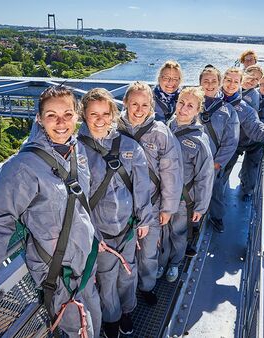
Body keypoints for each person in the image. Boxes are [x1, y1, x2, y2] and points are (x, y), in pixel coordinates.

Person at [0, 86, 101, 338]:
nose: (61, 123)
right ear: (39, 119)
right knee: (79, 328)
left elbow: (81, 202)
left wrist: (94, 237)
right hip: (56, 267)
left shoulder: (75, 150)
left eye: (68, 115)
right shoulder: (21, 167)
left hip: (84, 254)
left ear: (77, 116)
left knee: (91, 309)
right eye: (51, 116)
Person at [78, 88, 153, 338]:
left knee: (128, 273)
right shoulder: (77, 151)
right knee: (107, 278)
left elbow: (141, 187)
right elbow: (78, 201)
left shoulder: (129, 146)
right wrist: (92, 235)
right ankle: (112, 318)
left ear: (113, 113)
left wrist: (144, 218)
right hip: (101, 233)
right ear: (84, 116)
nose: (100, 119)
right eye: (93, 114)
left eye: (105, 113)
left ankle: (127, 311)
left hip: (128, 227)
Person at [120, 81, 182, 304]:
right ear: (125, 103)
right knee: (125, 252)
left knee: (148, 252)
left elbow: (171, 172)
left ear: (152, 106)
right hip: (121, 204)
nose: (139, 109)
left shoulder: (160, 132)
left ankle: (146, 286)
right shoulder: (115, 128)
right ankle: (126, 294)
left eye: (144, 104)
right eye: (134, 104)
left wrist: (168, 207)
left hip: (152, 203)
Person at [216, 67, 264, 231]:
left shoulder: (244, 108)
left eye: (236, 81)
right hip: (220, 149)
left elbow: (257, 127)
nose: (231, 84)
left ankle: (222, 211)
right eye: (228, 80)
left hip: (243, 143)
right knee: (216, 180)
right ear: (222, 80)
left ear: (240, 83)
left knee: (239, 172)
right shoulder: (211, 99)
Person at [162, 87, 214, 282]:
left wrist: (200, 206)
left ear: (197, 110)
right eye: (181, 103)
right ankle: (162, 261)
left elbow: (205, 176)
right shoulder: (167, 127)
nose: (183, 108)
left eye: (190, 106)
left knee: (178, 232)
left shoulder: (199, 140)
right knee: (163, 230)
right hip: (163, 194)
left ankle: (174, 263)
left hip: (184, 198)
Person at [198, 65, 239, 234]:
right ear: (199, 83)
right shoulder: (191, 103)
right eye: (205, 81)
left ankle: (216, 217)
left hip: (213, 162)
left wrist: (218, 163)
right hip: (190, 160)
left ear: (219, 83)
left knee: (215, 191)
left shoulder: (228, 110)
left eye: (213, 81)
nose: (209, 84)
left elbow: (231, 141)